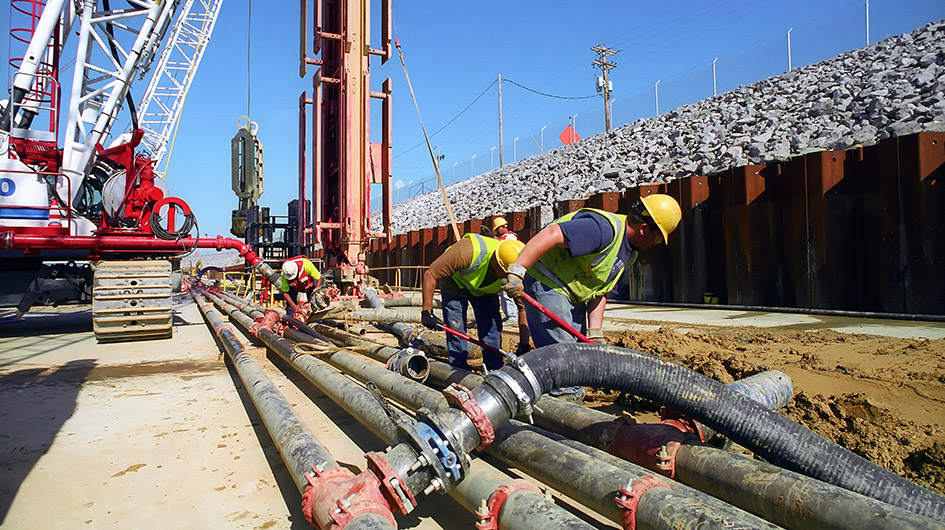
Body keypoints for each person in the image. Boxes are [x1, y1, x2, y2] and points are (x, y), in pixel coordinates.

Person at [501, 194, 681, 397]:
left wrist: (595, 333)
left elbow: (600, 290)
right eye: (658, 238)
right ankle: (562, 401)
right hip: (547, 283)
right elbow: (552, 233)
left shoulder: (629, 251)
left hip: (574, 295)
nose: (656, 243)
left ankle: (570, 397)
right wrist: (517, 271)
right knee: (562, 356)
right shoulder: (603, 230)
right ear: (644, 229)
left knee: (578, 355)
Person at [420, 235, 529, 371]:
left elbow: (523, 308)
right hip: (455, 285)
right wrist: (427, 311)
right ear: (498, 265)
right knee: (456, 328)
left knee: (492, 331)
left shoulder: (514, 273)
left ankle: (494, 368)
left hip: (485, 293)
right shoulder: (468, 251)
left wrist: (524, 344)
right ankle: (458, 369)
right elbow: (430, 274)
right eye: (507, 275)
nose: (509, 278)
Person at [492, 216, 520, 323]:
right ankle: (508, 315)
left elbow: (503, 245)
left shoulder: (511, 237)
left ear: (503, 227)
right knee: (502, 293)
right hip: (504, 268)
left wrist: (494, 240)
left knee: (507, 293)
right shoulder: (503, 237)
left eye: (497, 229)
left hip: (511, 268)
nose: (497, 231)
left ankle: (512, 316)